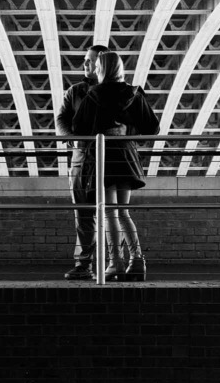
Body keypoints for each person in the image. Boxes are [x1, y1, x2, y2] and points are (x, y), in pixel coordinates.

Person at [70, 50, 159, 281]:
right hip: (126, 156)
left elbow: (78, 127)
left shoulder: (94, 94)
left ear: (102, 69)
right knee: (123, 211)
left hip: (104, 157)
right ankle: (137, 261)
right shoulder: (134, 93)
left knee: (109, 212)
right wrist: (127, 131)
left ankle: (115, 264)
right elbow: (152, 127)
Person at [56, 44, 109, 280]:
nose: (85, 64)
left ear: (102, 64)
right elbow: (61, 119)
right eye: (85, 60)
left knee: (110, 214)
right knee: (84, 215)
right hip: (81, 160)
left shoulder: (112, 91)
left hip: (106, 161)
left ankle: (109, 263)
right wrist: (71, 140)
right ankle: (84, 264)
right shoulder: (74, 91)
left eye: (89, 60)